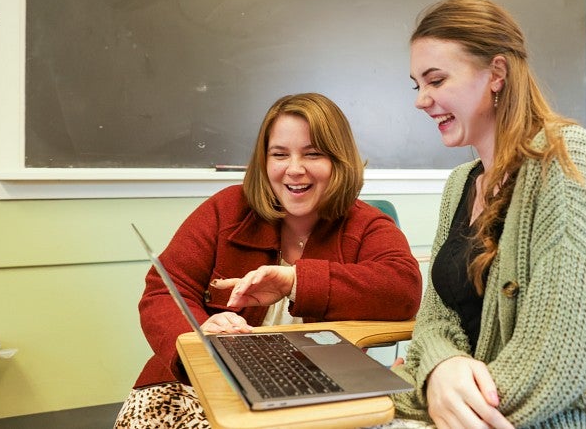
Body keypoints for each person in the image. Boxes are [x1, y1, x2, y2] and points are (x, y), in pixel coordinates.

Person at [388, 0, 586, 428]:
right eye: (416, 85)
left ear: (496, 73)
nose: (421, 100)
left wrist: (433, 398)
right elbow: (434, 318)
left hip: (529, 417)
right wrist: (440, 369)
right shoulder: (460, 184)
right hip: (461, 404)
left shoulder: (564, 158)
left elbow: (557, 362)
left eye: (436, 80)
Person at [114, 92, 422, 428]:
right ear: (264, 161)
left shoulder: (367, 224)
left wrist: (295, 282)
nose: (294, 170)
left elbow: (403, 290)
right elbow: (163, 291)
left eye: (313, 154)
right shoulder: (225, 209)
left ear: (339, 160)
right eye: (279, 154)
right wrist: (199, 332)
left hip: (320, 397)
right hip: (200, 388)